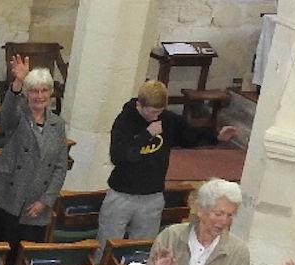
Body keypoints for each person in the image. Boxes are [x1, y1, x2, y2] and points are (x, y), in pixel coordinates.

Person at [99, 81, 237, 254]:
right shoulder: (125, 121)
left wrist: (216, 136)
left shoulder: (167, 119)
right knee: (107, 248)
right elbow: (119, 157)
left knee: (142, 251)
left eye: (159, 111)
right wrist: (146, 134)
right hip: (122, 195)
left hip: (152, 196)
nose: (156, 116)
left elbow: (189, 136)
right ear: (139, 105)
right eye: (151, 111)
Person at [0, 55, 69, 259]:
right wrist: (18, 83)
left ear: (51, 93)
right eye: (34, 91)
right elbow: (7, 114)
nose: (40, 95)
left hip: (36, 203)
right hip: (7, 198)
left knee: (24, 257)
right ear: (27, 94)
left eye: (44, 90)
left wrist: (45, 201)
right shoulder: (19, 116)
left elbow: (60, 167)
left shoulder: (58, 125)